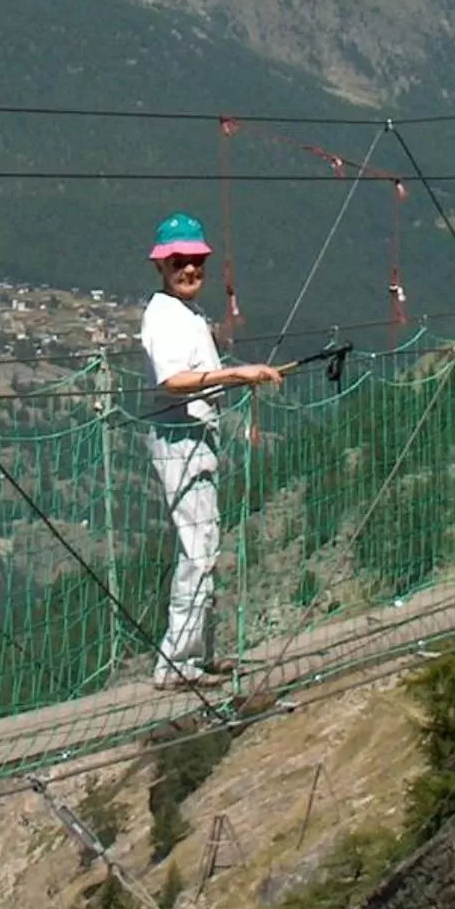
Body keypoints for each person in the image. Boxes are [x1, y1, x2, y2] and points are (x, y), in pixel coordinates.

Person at [139, 212, 283, 690]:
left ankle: (198, 654)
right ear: (161, 266)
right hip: (179, 439)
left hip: (195, 438)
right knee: (197, 552)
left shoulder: (187, 313)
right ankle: (178, 663)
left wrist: (240, 375)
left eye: (196, 262)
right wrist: (236, 375)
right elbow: (173, 381)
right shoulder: (163, 316)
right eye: (179, 262)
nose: (189, 271)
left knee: (204, 546)